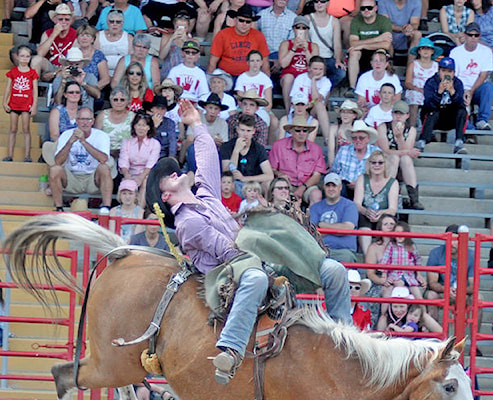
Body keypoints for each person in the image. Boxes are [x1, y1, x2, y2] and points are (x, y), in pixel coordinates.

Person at [145, 98, 352, 384]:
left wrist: (195, 123)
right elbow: (227, 250)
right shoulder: (187, 222)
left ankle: (346, 337)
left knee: (333, 270)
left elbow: (207, 158)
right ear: (165, 196)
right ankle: (231, 348)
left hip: (251, 260)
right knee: (255, 277)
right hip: (224, 276)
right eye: (166, 177)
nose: (173, 172)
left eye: (172, 170)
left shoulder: (205, 195)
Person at [47, 107, 114, 213]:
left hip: (92, 178)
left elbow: (103, 159)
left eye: (88, 119)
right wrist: (69, 143)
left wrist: (83, 142)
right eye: (82, 119)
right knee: (54, 169)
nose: (85, 123)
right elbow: (58, 162)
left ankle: (106, 208)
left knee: (104, 168)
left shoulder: (101, 136)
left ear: (93, 121)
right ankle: (59, 207)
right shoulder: (66, 134)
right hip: (71, 178)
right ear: (77, 121)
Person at [268, 115, 327, 206]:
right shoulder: (278, 146)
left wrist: (303, 188)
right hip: (285, 184)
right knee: (270, 186)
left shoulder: (316, 149)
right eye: (298, 130)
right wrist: (280, 174)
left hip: (307, 185)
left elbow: (317, 175)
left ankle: (312, 220)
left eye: (305, 130)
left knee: (316, 194)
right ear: (291, 131)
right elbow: (271, 168)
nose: (301, 133)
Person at [448, 22, 493, 130]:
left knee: (488, 87)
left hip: (477, 88)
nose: (473, 38)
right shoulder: (455, 52)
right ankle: (469, 128)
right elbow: (453, 75)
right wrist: (463, 91)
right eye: (470, 35)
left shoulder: (486, 51)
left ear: (480, 36)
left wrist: (471, 91)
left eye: (476, 35)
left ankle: (482, 120)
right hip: (459, 88)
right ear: (465, 35)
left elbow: (483, 75)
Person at [418, 56, 467, 154]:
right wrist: (439, 93)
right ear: (438, 71)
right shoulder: (431, 82)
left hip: (450, 117)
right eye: (443, 71)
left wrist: (453, 92)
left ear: (453, 73)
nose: (446, 74)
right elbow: (428, 104)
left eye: (449, 71)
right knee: (432, 112)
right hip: (434, 116)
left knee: (462, 111)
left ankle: (459, 142)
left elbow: (461, 105)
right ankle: (422, 141)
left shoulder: (458, 83)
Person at [354, 149, 399, 251]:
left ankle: (384, 257)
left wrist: (381, 213)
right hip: (365, 215)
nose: (376, 165)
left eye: (380, 162)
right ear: (369, 164)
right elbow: (356, 203)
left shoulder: (392, 182)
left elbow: (392, 209)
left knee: (388, 220)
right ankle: (368, 258)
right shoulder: (362, 178)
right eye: (373, 162)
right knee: (363, 220)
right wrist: (366, 212)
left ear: (385, 164)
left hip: (383, 215)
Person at [208, 5, 270, 78]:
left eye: (248, 22)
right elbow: (212, 62)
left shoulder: (258, 36)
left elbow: (265, 63)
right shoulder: (222, 34)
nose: (244, 24)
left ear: (251, 23)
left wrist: (267, 82)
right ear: (235, 20)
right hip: (226, 76)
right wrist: (208, 80)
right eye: (241, 20)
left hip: (250, 76)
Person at [310, 173, 360, 262]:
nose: (331, 189)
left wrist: (322, 225)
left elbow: (347, 228)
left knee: (347, 258)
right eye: (328, 186)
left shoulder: (350, 206)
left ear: (340, 187)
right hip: (320, 251)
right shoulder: (315, 207)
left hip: (343, 252)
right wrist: (337, 229)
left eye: (334, 186)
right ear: (324, 187)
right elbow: (312, 232)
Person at [3, 46, 39, 164]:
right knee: (13, 129)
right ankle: (9, 154)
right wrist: (4, 101)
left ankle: (27, 155)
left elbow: (35, 90)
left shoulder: (32, 73)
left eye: (27, 56)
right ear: (17, 57)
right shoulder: (13, 72)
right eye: (22, 56)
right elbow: (8, 88)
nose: (24, 59)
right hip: (14, 104)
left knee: (26, 129)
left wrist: (34, 105)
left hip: (26, 104)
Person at [347, 0, 393, 89]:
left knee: (380, 54)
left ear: (376, 8)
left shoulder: (383, 20)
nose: (366, 10)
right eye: (363, 8)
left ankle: (379, 86)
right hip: (361, 52)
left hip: (378, 50)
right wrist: (378, 39)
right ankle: (352, 87)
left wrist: (363, 45)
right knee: (353, 52)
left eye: (370, 8)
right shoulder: (356, 21)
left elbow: (386, 45)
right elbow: (353, 43)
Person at [330, 119, 382, 194]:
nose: (358, 140)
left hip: (367, 188)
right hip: (344, 187)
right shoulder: (343, 150)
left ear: (368, 139)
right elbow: (335, 171)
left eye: (361, 138)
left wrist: (360, 183)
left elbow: (380, 175)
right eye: (354, 138)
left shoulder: (376, 152)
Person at [30, 3, 78, 84]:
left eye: (67, 19)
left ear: (70, 21)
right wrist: (53, 35)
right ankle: (33, 91)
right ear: (54, 20)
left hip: (66, 67)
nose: (64, 22)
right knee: (36, 60)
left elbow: (74, 59)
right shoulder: (47, 33)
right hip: (50, 66)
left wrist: (56, 72)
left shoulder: (75, 34)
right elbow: (40, 54)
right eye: (60, 19)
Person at [304, 0, 347, 88]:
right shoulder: (307, 18)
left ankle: (323, 89)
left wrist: (338, 60)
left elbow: (337, 44)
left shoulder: (334, 21)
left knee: (341, 73)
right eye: (316, 1)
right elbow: (304, 40)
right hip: (311, 56)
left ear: (328, 3)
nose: (319, 4)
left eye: (323, 1)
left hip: (328, 58)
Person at [377, 220, 425, 299]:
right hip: (395, 275)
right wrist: (384, 275)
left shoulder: (411, 245)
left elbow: (417, 259)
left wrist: (418, 274)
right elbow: (385, 260)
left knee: (417, 292)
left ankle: (423, 310)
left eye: (402, 232)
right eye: (397, 232)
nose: (399, 235)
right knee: (398, 285)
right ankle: (386, 311)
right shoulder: (392, 245)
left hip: (409, 275)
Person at [290, 56, 333, 141]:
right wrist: (306, 105)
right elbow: (293, 98)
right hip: (300, 108)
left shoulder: (326, 82)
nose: (318, 71)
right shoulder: (300, 78)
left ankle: (328, 139)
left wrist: (313, 81)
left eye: (321, 69)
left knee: (320, 105)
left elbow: (316, 99)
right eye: (315, 68)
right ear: (309, 68)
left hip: (314, 110)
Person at [118, 112, 160, 198]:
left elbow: (151, 164)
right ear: (134, 126)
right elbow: (123, 160)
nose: (141, 128)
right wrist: (127, 175)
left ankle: (139, 210)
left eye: (144, 125)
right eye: (139, 125)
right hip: (130, 173)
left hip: (147, 174)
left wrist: (141, 177)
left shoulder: (155, 144)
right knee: (126, 184)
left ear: (148, 127)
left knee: (145, 182)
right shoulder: (126, 142)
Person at [404, 38, 438, 131]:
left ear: (432, 51)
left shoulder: (436, 66)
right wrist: (417, 89)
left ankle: (431, 130)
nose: (426, 51)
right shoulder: (413, 64)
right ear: (419, 51)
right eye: (423, 48)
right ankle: (412, 129)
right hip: (416, 90)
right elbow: (407, 82)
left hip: (431, 91)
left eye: (428, 48)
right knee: (414, 97)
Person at [96, 8, 131, 77]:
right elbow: (96, 57)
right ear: (107, 22)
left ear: (122, 23)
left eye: (118, 22)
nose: (115, 24)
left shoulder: (129, 38)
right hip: (101, 73)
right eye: (112, 21)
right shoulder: (98, 36)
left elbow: (130, 59)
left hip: (123, 74)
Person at [328, 99, 362, 167]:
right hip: (338, 164)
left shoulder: (358, 130)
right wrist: (333, 167)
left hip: (354, 164)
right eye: (343, 112)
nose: (345, 115)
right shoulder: (334, 129)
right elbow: (331, 151)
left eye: (349, 112)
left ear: (354, 116)